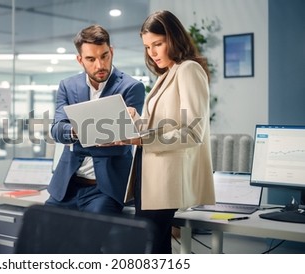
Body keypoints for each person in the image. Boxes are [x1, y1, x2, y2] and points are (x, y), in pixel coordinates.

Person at [119, 10, 216, 253]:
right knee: (155, 247)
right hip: (149, 173)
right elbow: (164, 125)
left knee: (152, 248)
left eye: (157, 44)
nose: (152, 52)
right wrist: (135, 122)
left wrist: (142, 136)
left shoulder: (188, 70)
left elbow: (192, 132)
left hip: (164, 179)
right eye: (147, 46)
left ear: (173, 38)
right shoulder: (167, 74)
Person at [46, 24, 146, 214]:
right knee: (42, 234)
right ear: (79, 60)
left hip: (105, 190)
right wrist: (77, 131)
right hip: (67, 186)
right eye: (91, 59)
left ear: (112, 52)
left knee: (90, 240)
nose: (99, 65)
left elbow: (120, 142)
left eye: (104, 56)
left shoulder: (131, 88)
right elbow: (57, 130)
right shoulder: (67, 86)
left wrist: (77, 138)